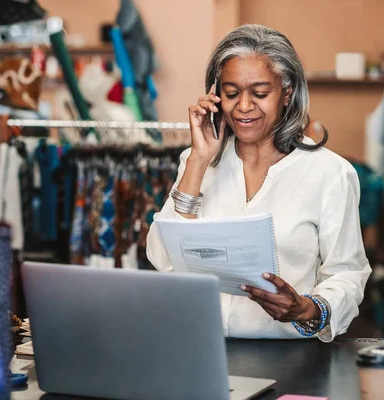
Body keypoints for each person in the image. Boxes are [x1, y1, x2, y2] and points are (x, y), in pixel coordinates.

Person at [146, 24, 371, 343]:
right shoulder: (196, 162)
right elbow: (161, 257)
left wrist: (307, 309)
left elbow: (347, 274)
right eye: (231, 93)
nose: (244, 107)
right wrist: (198, 159)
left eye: (260, 93)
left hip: (290, 358)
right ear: (215, 96)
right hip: (200, 347)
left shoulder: (329, 173)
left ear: (287, 93)